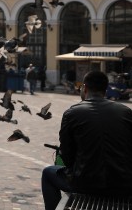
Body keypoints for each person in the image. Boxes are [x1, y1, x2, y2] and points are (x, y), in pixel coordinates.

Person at [41, 71, 132, 210]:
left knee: (48, 173)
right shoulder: (126, 112)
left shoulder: (72, 113)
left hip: (86, 184)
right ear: (105, 89)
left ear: (84, 88)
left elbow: (67, 155)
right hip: (124, 184)